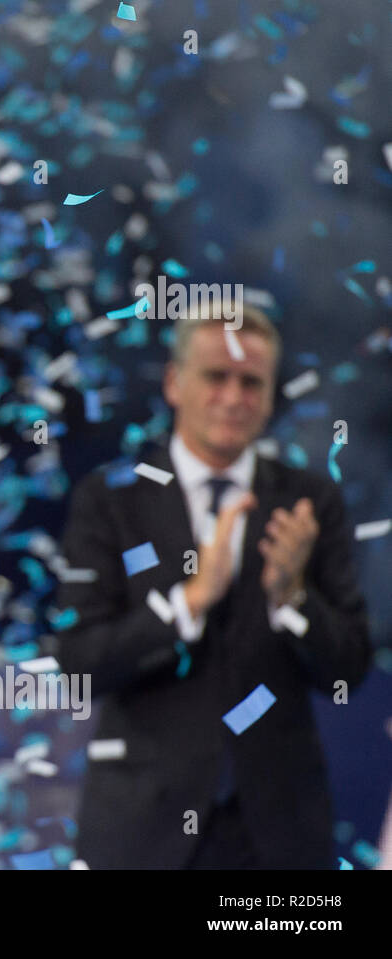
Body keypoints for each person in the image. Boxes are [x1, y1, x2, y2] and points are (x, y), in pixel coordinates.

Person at [52, 304, 371, 869]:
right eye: (216, 375)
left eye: (252, 382)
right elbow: (80, 664)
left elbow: (348, 670)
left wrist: (292, 597)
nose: (233, 396)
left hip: (278, 840)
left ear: (272, 396)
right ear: (175, 382)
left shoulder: (308, 504)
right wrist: (187, 604)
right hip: (140, 834)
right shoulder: (112, 498)